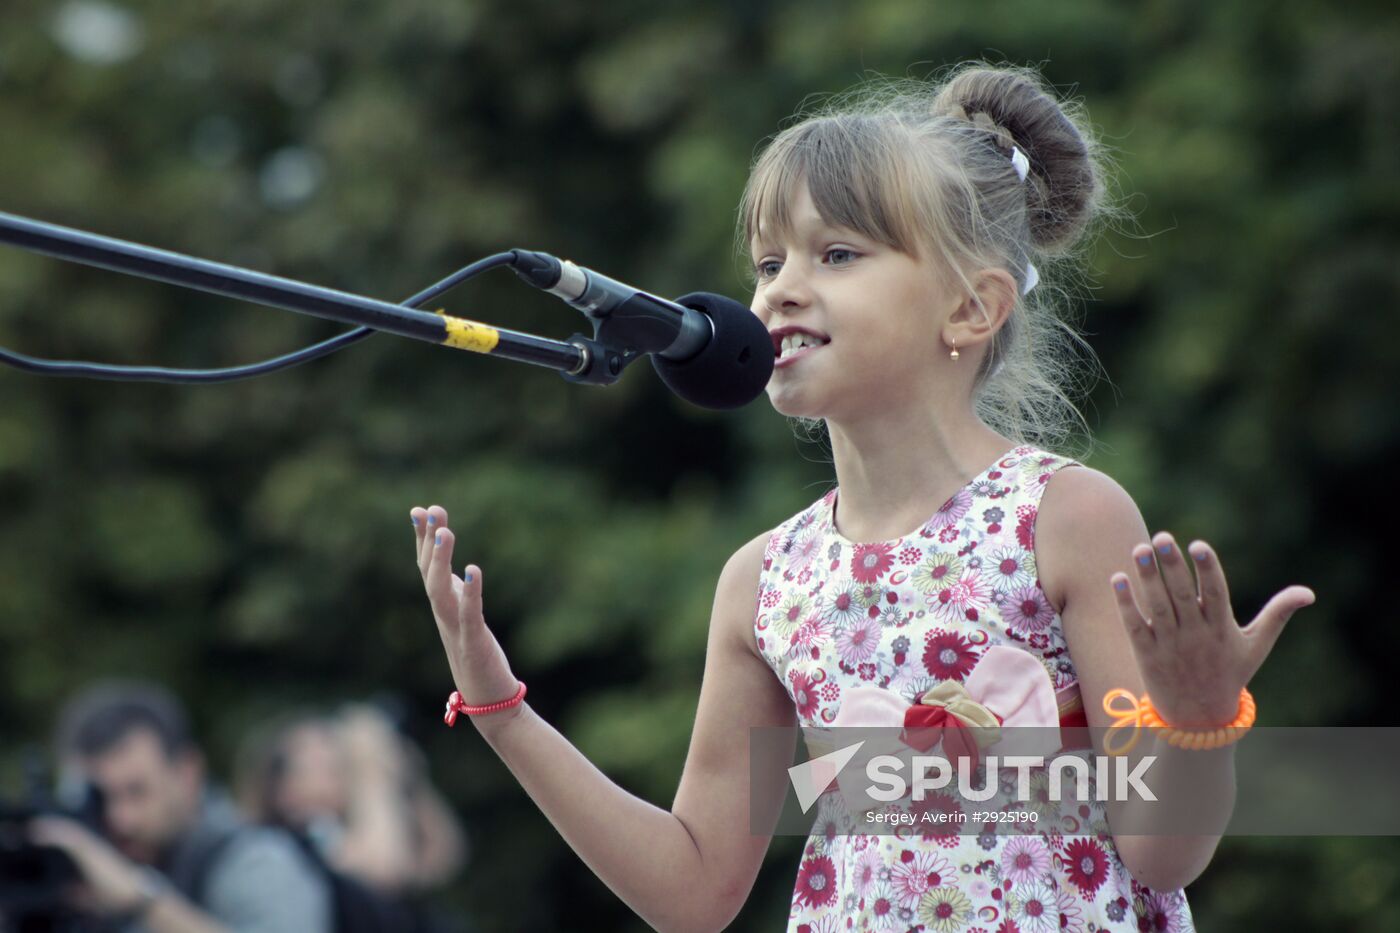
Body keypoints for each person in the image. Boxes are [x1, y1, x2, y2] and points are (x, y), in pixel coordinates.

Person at [407, 63, 1316, 931]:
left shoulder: (1064, 516)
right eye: (767, 265)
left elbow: (1161, 852)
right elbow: (692, 889)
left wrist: (1197, 721)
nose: (780, 290)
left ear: (970, 307)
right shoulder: (763, 579)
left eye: (836, 253)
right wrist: (501, 709)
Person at [28, 681, 332, 933]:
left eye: (137, 792)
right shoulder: (85, 881)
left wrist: (141, 899)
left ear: (187, 773)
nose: (121, 818)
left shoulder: (259, 862)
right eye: (101, 798)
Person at [234, 703, 466, 898]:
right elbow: (384, 870)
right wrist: (371, 770)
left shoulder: (347, 829)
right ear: (283, 790)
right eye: (320, 763)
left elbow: (439, 860)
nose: (338, 757)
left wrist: (411, 783)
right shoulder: (296, 841)